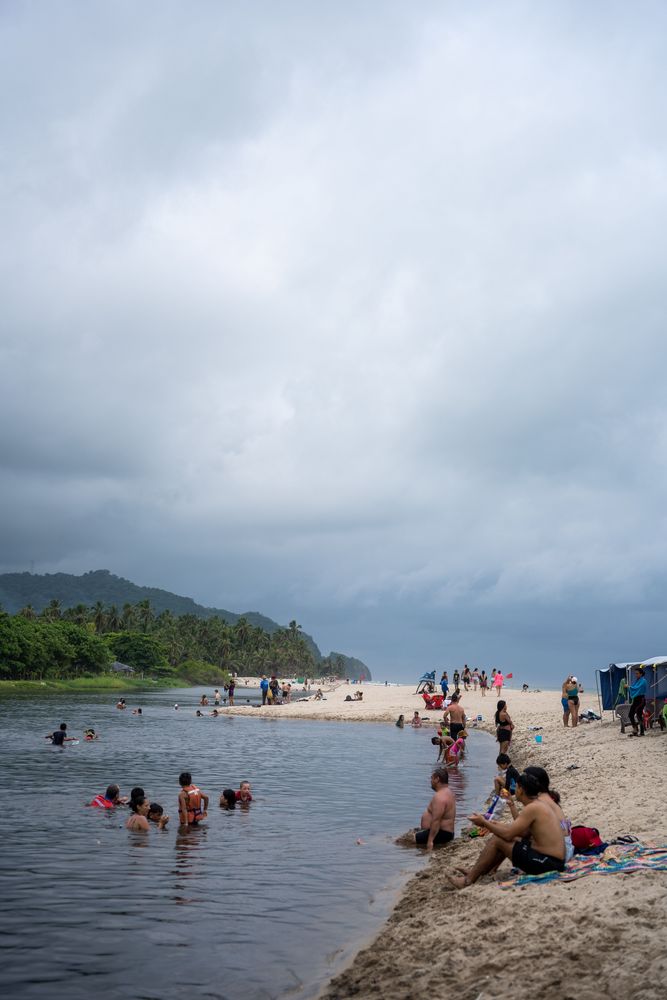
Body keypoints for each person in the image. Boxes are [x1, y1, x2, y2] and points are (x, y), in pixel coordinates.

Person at [446, 771, 566, 888]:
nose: (514, 789)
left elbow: (508, 835)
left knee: (498, 839)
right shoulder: (538, 804)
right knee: (507, 837)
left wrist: (484, 823)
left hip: (548, 863)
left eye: (516, 787)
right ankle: (479, 872)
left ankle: (467, 881)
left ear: (521, 790)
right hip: (553, 860)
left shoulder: (533, 808)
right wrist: (494, 824)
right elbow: (523, 832)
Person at [414, 767, 456, 850]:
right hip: (446, 833)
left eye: (432, 778)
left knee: (402, 841)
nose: (431, 781)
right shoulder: (448, 792)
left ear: (437, 779)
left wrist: (430, 841)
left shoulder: (440, 797)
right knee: (413, 833)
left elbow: (436, 820)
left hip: (441, 834)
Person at [628, 667, 648, 737]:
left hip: (641, 700)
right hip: (636, 700)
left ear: (641, 674)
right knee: (630, 715)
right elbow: (634, 687)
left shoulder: (643, 681)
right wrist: (629, 687)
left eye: (637, 673)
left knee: (638, 715)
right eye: (635, 674)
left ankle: (641, 732)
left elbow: (637, 688)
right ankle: (635, 729)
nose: (636, 675)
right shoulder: (637, 680)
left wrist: (629, 687)